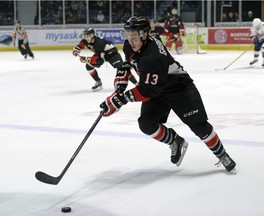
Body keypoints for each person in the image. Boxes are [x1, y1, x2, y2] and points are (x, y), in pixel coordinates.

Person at [100, 16, 236, 173]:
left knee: (199, 126)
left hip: (179, 87)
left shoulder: (153, 56)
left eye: (134, 37)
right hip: (157, 88)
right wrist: (119, 88)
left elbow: (145, 91)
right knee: (146, 124)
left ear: (144, 35)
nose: (130, 41)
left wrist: (120, 100)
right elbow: (128, 64)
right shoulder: (131, 46)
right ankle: (175, 141)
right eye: (128, 36)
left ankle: (222, 155)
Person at [72, 27, 138, 92]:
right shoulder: (86, 40)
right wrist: (76, 49)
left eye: (88, 36)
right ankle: (98, 82)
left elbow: (98, 59)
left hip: (112, 54)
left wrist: (87, 59)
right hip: (101, 54)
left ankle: (136, 84)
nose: (86, 38)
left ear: (92, 35)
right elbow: (81, 44)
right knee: (89, 66)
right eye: (85, 36)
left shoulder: (99, 43)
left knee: (122, 69)